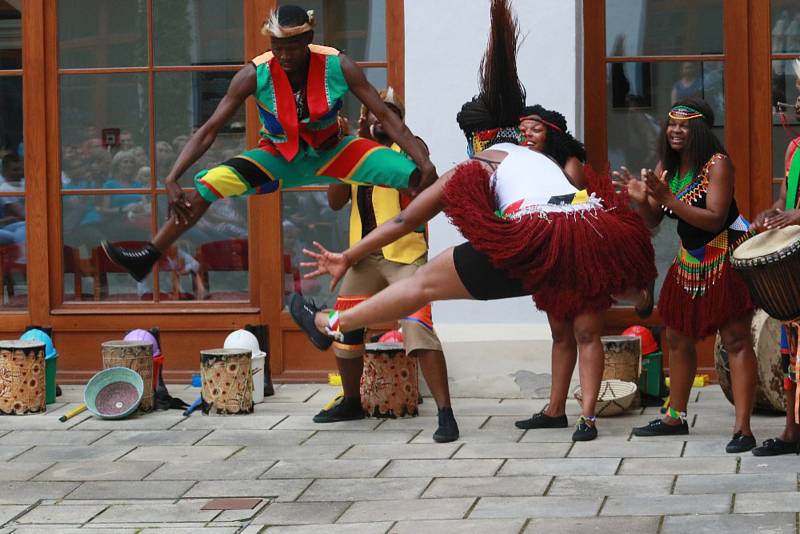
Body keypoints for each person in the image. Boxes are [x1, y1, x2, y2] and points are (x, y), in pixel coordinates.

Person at [290, 0, 656, 442]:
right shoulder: (533, 155)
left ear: (475, 138)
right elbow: (566, 200)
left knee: (423, 284)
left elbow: (407, 218)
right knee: (580, 320)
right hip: (586, 232)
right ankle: (630, 298)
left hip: (534, 240)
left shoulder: (478, 164)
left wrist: (347, 255)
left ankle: (331, 324)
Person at [101, 4, 437, 282]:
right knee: (207, 185)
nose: (284, 55)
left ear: (308, 38)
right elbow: (209, 129)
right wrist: (173, 176)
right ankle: (149, 255)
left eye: (292, 47)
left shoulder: (338, 64)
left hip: (335, 151)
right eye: (277, 48)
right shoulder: (253, 73)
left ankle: (416, 255)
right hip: (277, 156)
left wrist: (422, 160)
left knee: (415, 176)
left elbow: (386, 115)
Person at [614, 97, 758, 453]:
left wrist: (668, 199)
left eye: (684, 125)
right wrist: (641, 200)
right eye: (671, 124)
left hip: (726, 253)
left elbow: (713, 217)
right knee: (676, 336)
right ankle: (674, 416)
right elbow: (653, 222)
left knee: (736, 339)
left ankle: (743, 428)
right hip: (689, 258)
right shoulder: (670, 166)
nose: (675, 131)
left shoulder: (718, 165)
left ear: (700, 130)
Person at [317, 87, 458, 442]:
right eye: (376, 114)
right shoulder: (356, 154)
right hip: (363, 260)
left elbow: (423, 181)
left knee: (417, 327)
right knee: (345, 326)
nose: (382, 120)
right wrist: (341, 151)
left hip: (404, 256)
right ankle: (351, 401)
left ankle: (446, 413)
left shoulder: (412, 148)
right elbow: (335, 201)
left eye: (389, 114)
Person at [513, 105, 652, 440]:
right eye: (524, 130)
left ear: (552, 134)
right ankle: (554, 410)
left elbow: (562, 207)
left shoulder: (569, 165)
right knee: (560, 336)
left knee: (587, 334)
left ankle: (587, 417)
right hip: (553, 262)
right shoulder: (523, 166)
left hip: (583, 259)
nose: (527, 135)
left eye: (535, 129)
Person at [750, 59, 800, 456]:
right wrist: (770, 214)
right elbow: (786, 199)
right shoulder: (794, 149)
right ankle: (790, 431)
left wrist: (796, 215)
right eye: (798, 98)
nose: (797, 105)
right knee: (790, 349)